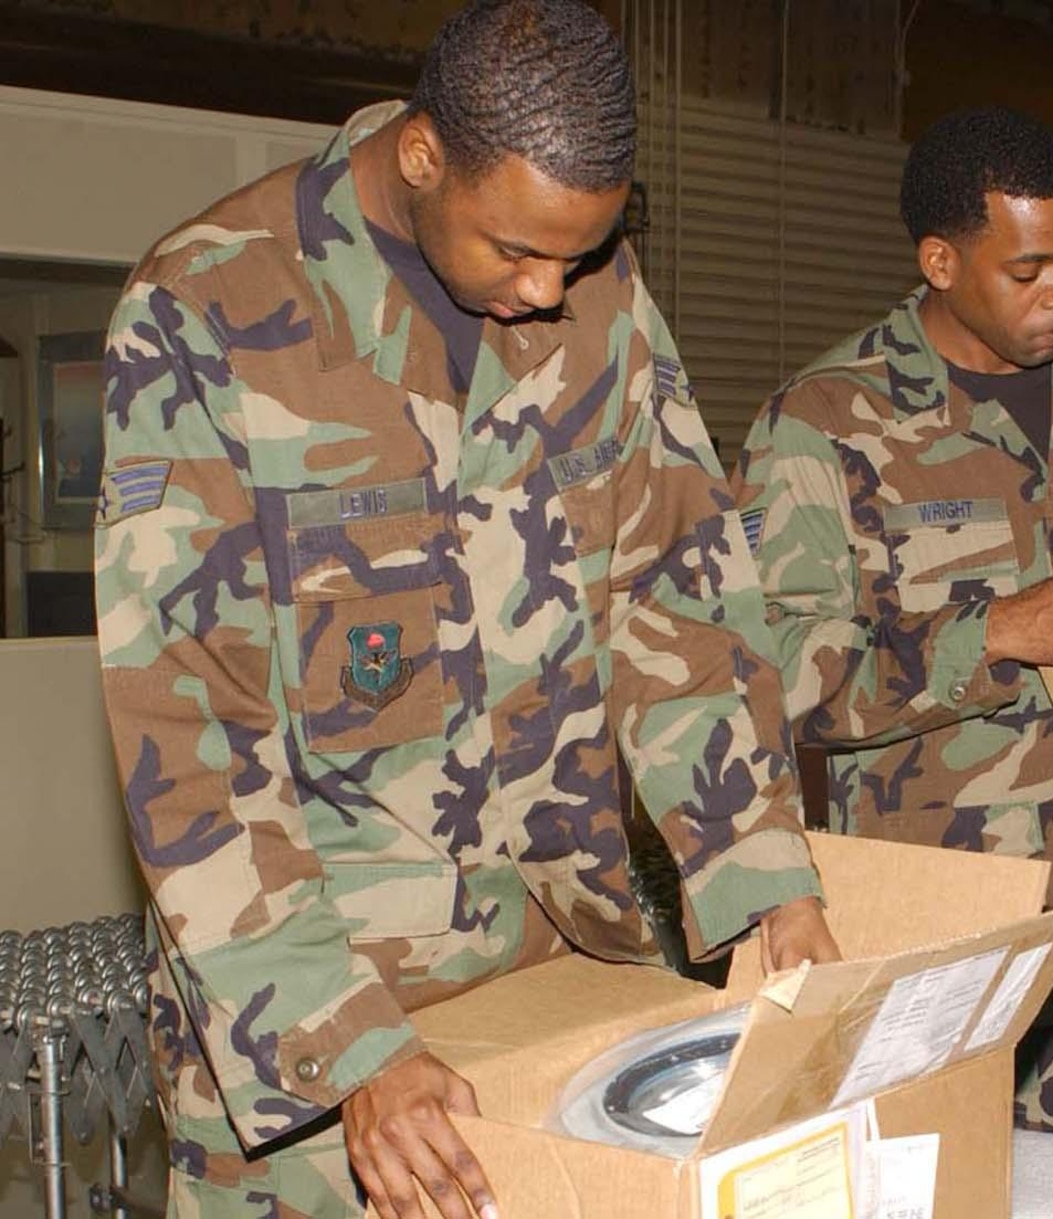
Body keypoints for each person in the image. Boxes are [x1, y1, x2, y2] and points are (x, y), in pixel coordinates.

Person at [93, 3, 836, 1216]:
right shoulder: (209, 311)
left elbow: (679, 596)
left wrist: (762, 878)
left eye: (582, 253)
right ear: (422, 155)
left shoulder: (601, 304)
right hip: (317, 1023)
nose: (548, 291)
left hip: (554, 967)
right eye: (514, 250)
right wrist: (353, 1047)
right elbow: (192, 736)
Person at [729, 106, 1053, 1134]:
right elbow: (777, 681)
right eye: (1026, 271)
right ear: (939, 258)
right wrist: (1000, 633)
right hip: (938, 950)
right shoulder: (824, 425)